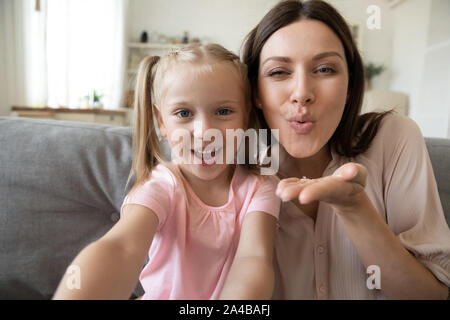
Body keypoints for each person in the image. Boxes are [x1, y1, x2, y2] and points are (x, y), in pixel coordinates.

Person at [242, 0, 450, 299]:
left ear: (350, 84)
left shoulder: (394, 138)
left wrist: (355, 209)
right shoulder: (229, 161)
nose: (301, 93)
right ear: (255, 92)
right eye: (278, 72)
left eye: (325, 69)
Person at [53, 43, 280, 300]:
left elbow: (253, 260)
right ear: (161, 121)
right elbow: (122, 247)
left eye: (223, 111)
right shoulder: (161, 186)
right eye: (184, 113)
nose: (205, 132)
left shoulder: (260, 188)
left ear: (246, 116)